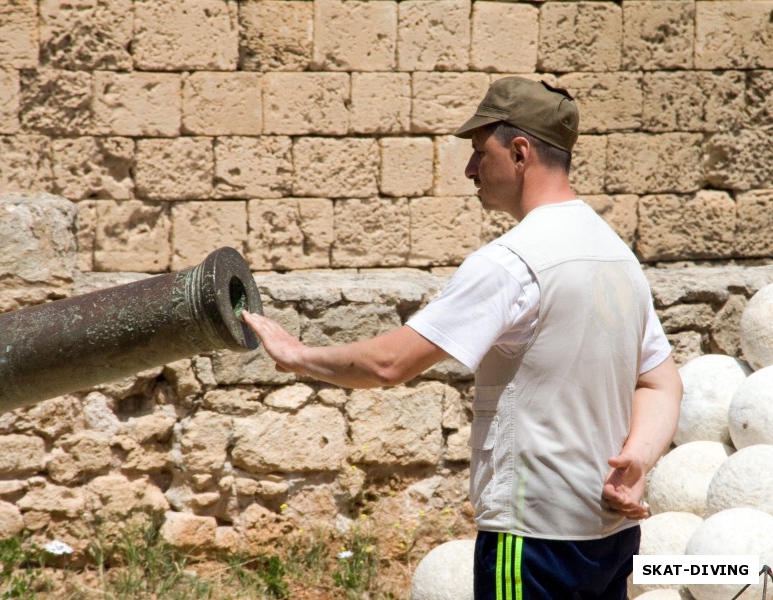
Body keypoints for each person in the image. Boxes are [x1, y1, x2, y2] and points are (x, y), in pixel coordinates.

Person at [242, 76, 683, 600]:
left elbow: (389, 364)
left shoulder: (512, 262)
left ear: (519, 152)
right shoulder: (617, 257)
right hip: (611, 539)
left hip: (533, 540)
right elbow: (663, 384)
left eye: (479, 151)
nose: (470, 169)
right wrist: (637, 460)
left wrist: (297, 355)